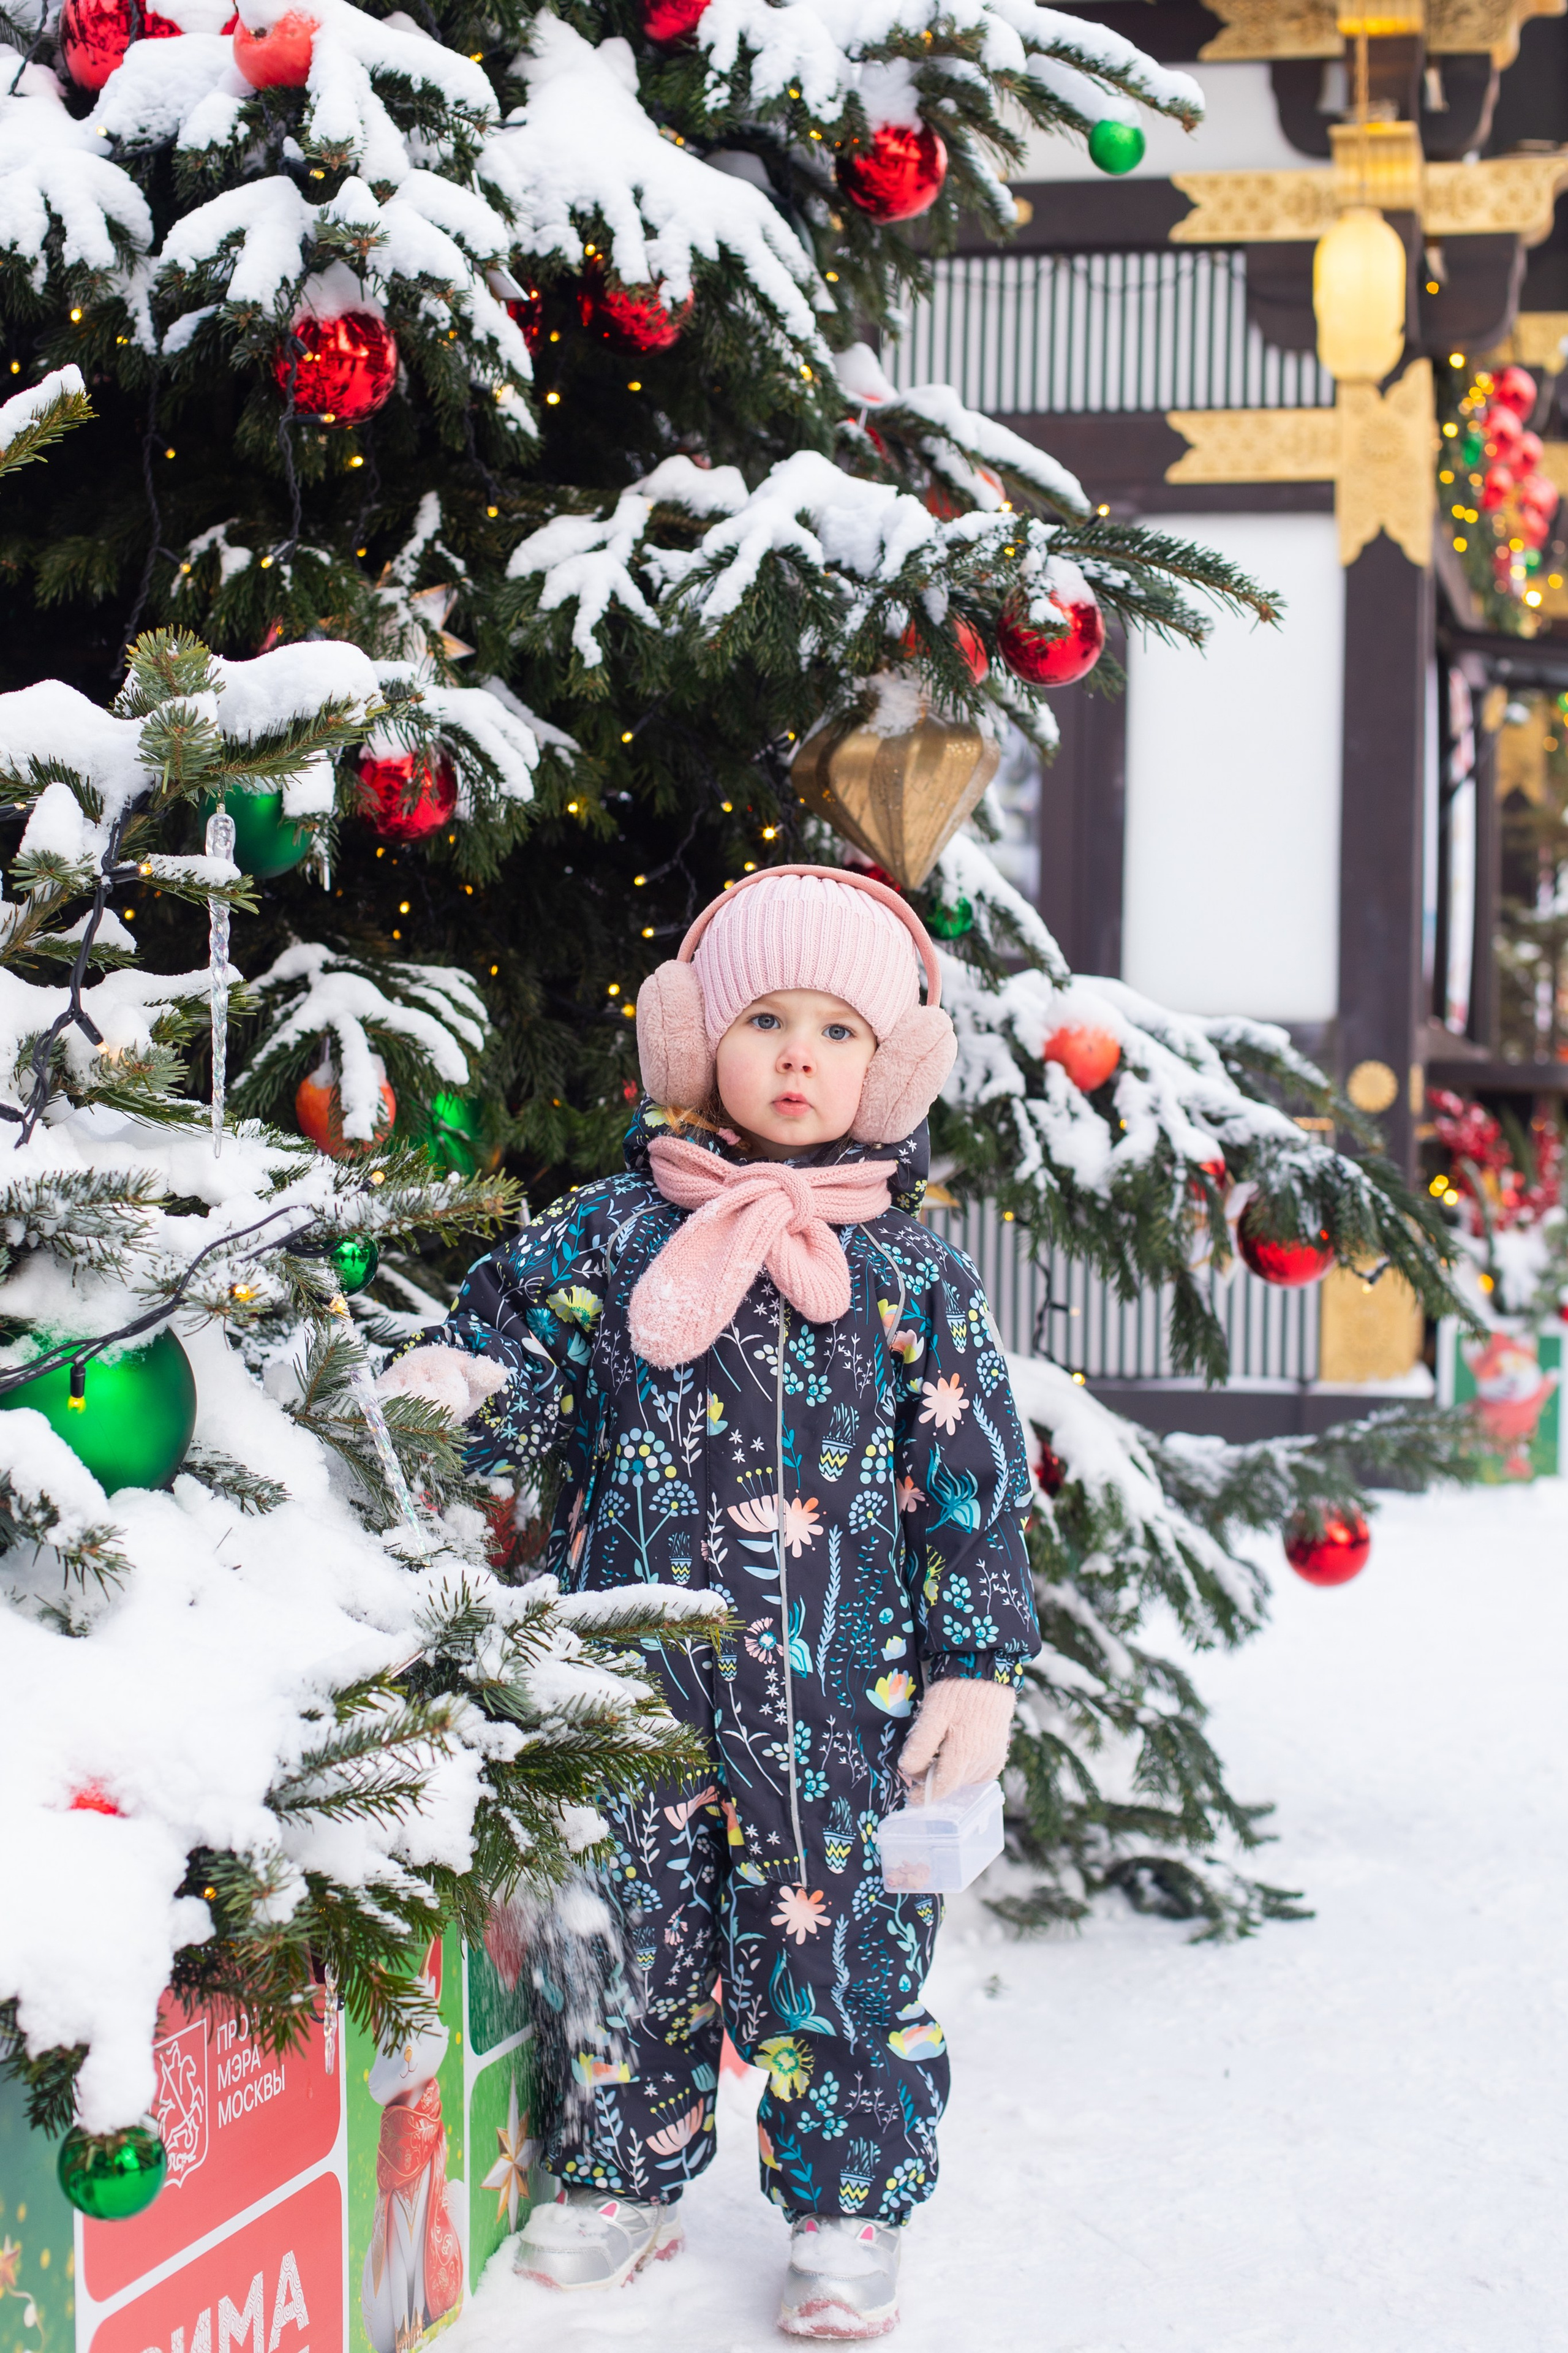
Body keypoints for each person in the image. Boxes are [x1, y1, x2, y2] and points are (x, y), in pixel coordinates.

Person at [380, 865, 1039, 2340]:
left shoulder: (915, 1281)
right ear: (693, 1040)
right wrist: (460, 1392)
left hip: (843, 1705)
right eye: (763, 1018)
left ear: (893, 1064)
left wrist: (977, 1665)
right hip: (636, 1685)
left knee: (846, 1948)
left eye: (837, 1030)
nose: (798, 1054)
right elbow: (513, 1355)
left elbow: (971, 1483)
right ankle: (622, 2167)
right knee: (625, 1927)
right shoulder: (609, 1235)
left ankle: (846, 2200)